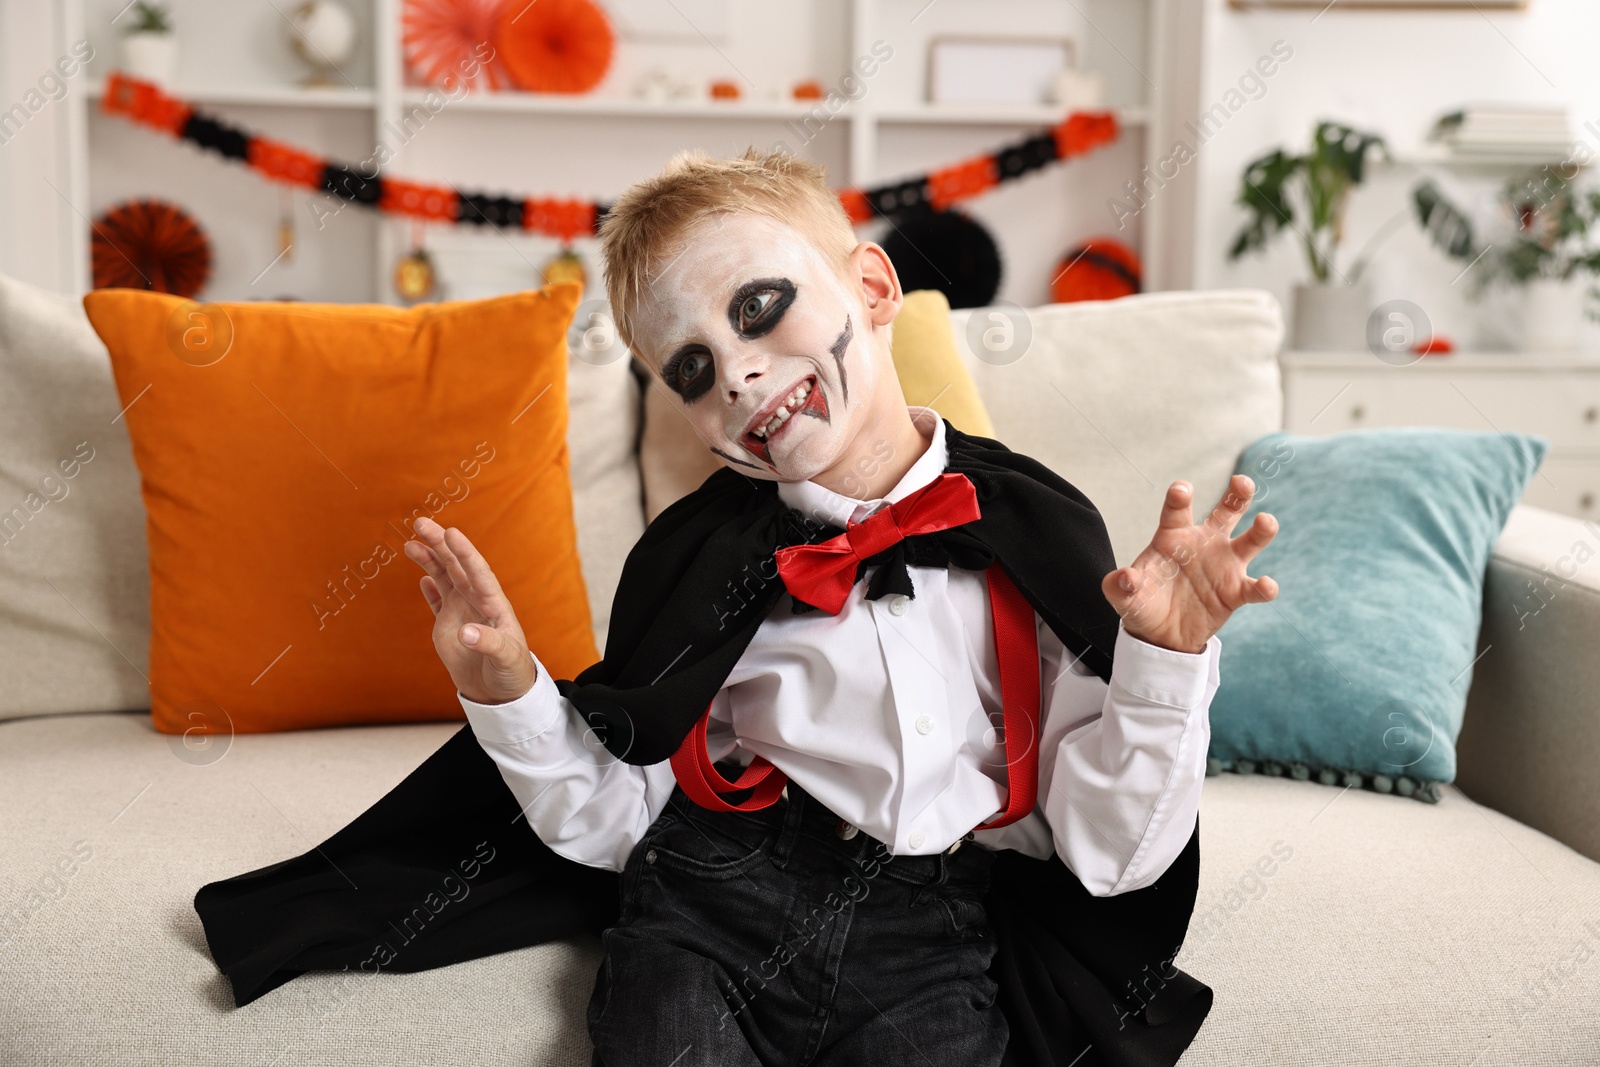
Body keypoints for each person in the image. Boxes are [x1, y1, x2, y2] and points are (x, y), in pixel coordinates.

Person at [399, 148, 1280, 1066]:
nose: (735, 375)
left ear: (871, 286)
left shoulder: (1032, 523)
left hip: (930, 937)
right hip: (707, 909)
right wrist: (507, 688)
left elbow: (1108, 851)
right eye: (692, 369)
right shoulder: (692, 561)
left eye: (757, 308)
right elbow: (615, 818)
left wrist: (1164, 662)